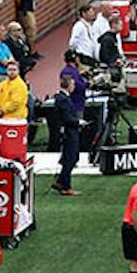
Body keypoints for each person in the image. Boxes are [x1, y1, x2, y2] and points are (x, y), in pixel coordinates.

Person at [52, 51, 88, 196]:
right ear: (68, 85)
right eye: (72, 83)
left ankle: (61, 181)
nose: (74, 86)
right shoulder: (63, 99)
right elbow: (67, 118)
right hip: (69, 132)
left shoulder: (63, 98)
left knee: (71, 158)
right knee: (70, 158)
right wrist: (79, 122)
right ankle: (64, 185)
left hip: (69, 131)